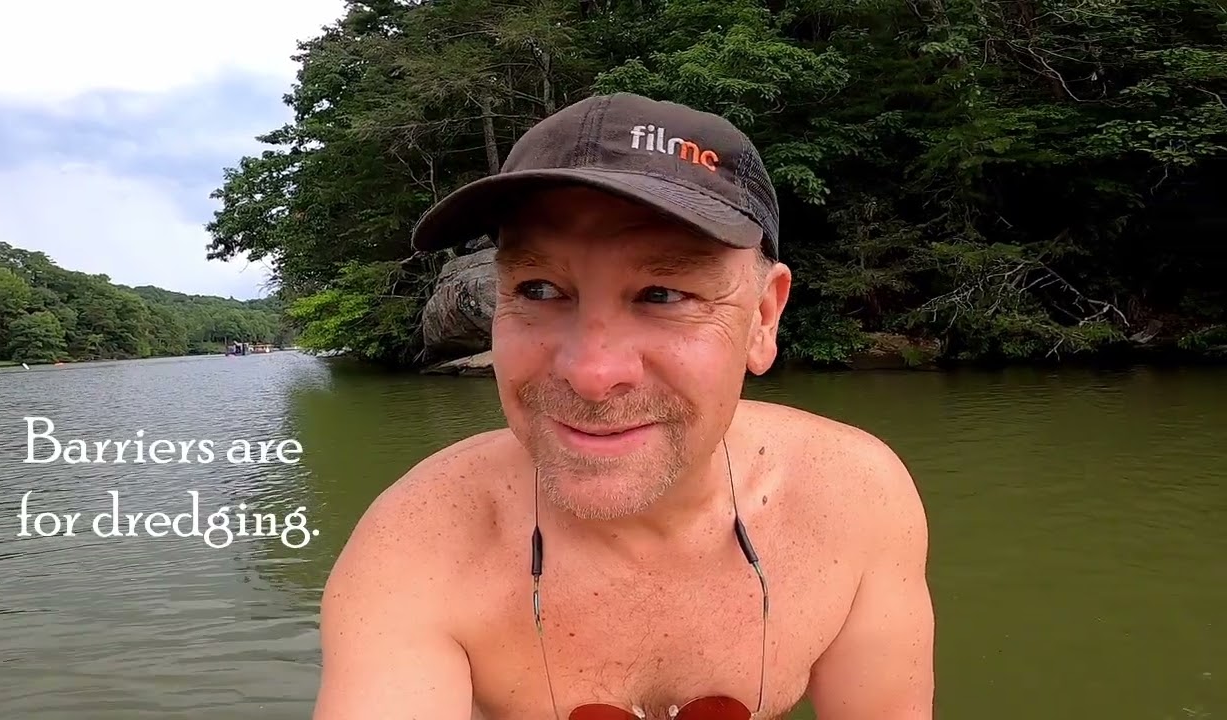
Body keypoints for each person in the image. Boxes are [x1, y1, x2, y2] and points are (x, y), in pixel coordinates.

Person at [313, 92, 934, 720]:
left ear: (763, 319)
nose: (592, 375)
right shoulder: (418, 546)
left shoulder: (853, 497)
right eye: (539, 289)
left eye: (662, 294)